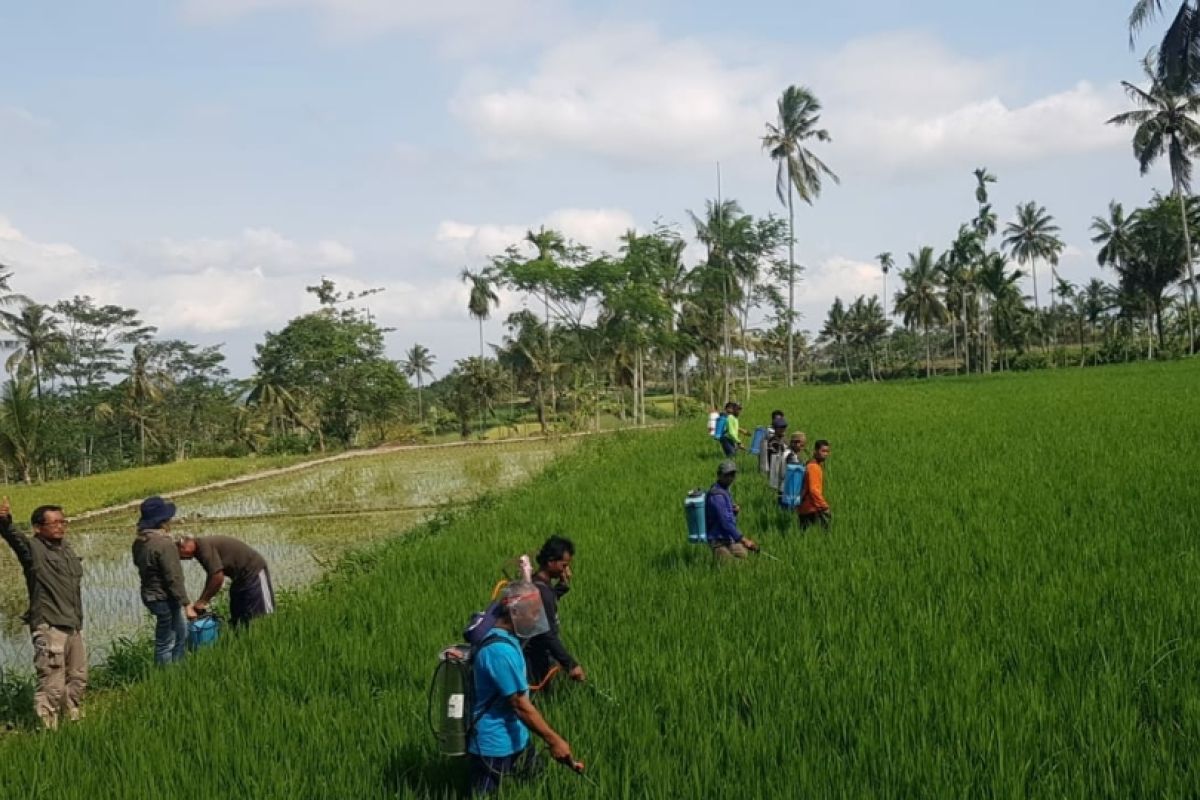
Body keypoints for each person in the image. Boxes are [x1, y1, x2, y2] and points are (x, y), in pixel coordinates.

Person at [468, 585, 575, 795]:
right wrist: (554, 740)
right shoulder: (499, 651)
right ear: (515, 613)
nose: (536, 619)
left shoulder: (508, 638)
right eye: (533, 613)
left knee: (536, 784)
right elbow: (519, 704)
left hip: (517, 737)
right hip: (493, 746)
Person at [0, 498, 86, 729]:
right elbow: (15, 539)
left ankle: (74, 720)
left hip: (73, 624)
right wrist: (4, 521)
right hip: (50, 626)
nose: (60, 526)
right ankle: (48, 730)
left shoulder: (65, 549)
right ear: (38, 528)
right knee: (52, 682)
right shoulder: (33, 551)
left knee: (78, 677)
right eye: (54, 523)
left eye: (63, 521)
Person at [131, 496, 191, 665]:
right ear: (162, 521)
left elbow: (142, 564)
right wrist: (186, 603)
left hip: (151, 596)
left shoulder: (140, 541)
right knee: (166, 642)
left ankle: (177, 671)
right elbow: (174, 577)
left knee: (181, 633)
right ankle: (166, 677)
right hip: (163, 597)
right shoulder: (164, 543)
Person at [177, 535, 274, 627]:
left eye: (180, 553)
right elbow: (213, 575)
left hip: (254, 571)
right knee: (239, 618)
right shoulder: (200, 549)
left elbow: (217, 577)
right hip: (239, 579)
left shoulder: (203, 547)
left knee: (261, 617)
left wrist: (202, 602)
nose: (184, 558)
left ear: (184, 545)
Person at [525, 536, 583, 689]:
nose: (567, 570)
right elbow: (548, 634)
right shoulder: (542, 592)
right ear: (550, 561)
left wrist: (563, 585)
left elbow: (549, 597)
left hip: (534, 654)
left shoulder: (536, 581)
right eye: (564, 565)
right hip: (535, 659)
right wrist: (571, 665)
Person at [704, 460, 758, 560]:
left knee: (744, 555)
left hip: (728, 537)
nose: (730, 478)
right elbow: (725, 523)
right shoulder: (717, 496)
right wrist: (744, 540)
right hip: (717, 539)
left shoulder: (724, 490)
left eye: (733, 475)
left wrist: (733, 512)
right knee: (732, 568)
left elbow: (725, 516)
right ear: (719, 475)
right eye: (727, 475)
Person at [798, 440, 832, 530]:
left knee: (805, 534)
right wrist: (824, 506)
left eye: (827, 451)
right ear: (815, 451)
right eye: (823, 451)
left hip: (805, 507)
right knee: (823, 533)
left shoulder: (810, 464)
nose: (825, 454)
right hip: (812, 508)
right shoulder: (813, 467)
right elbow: (814, 490)